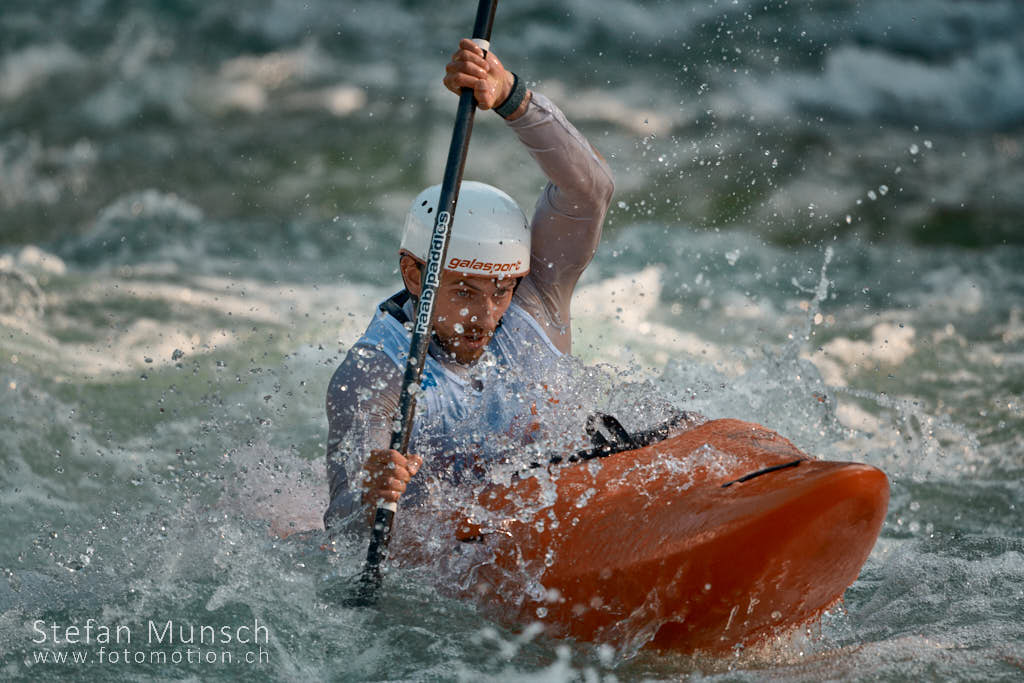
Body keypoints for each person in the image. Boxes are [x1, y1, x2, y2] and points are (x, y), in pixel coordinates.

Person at [324, 39, 614, 534]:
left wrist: (512, 98)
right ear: (415, 274)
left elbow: (590, 191)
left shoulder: (536, 299)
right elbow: (344, 525)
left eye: (501, 290)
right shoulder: (375, 374)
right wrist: (371, 491)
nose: (487, 315)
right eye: (463, 291)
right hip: (460, 540)